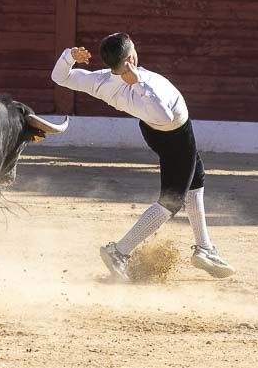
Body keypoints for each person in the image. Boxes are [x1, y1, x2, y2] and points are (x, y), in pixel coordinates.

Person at [51, 34, 233, 282]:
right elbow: (165, 115)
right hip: (174, 135)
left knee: (196, 178)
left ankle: (204, 248)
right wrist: (138, 83)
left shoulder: (100, 80)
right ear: (130, 59)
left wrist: (69, 56)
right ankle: (119, 251)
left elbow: (59, 77)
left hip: (156, 132)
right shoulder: (140, 86)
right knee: (171, 201)